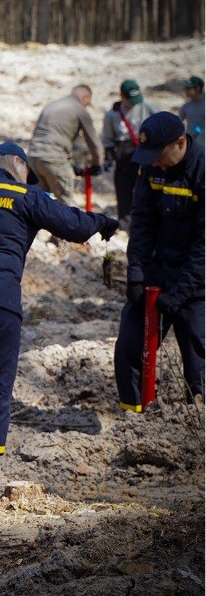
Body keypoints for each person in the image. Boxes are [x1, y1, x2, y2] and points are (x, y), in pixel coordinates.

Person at [0, 142, 118, 462]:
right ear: (17, 163)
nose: (28, 179)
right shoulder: (25, 196)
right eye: (27, 173)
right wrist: (102, 222)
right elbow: (74, 226)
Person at [113, 112, 204, 411]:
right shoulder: (150, 169)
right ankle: (133, 418)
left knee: (198, 357)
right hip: (158, 267)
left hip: (196, 276)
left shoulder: (202, 169)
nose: (153, 162)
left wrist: (180, 293)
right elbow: (141, 223)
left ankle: (197, 423)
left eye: (158, 155)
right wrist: (137, 272)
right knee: (129, 346)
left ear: (180, 143)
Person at [26, 85, 102, 207]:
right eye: (88, 103)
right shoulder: (79, 110)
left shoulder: (51, 106)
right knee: (66, 205)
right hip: (54, 159)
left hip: (33, 157)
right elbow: (93, 142)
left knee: (38, 205)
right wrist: (97, 164)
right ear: (85, 97)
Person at [100, 79, 157, 229]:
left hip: (144, 151)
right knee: (124, 189)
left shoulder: (147, 106)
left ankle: (148, 220)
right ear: (122, 96)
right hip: (124, 154)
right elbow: (107, 137)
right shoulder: (112, 114)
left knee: (147, 186)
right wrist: (109, 153)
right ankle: (125, 224)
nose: (133, 104)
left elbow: (159, 124)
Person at [180, 76, 204, 141]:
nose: (185, 91)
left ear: (197, 89)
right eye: (185, 88)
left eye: (188, 88)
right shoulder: (186, 106)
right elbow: (178, 123)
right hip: (192, 143)